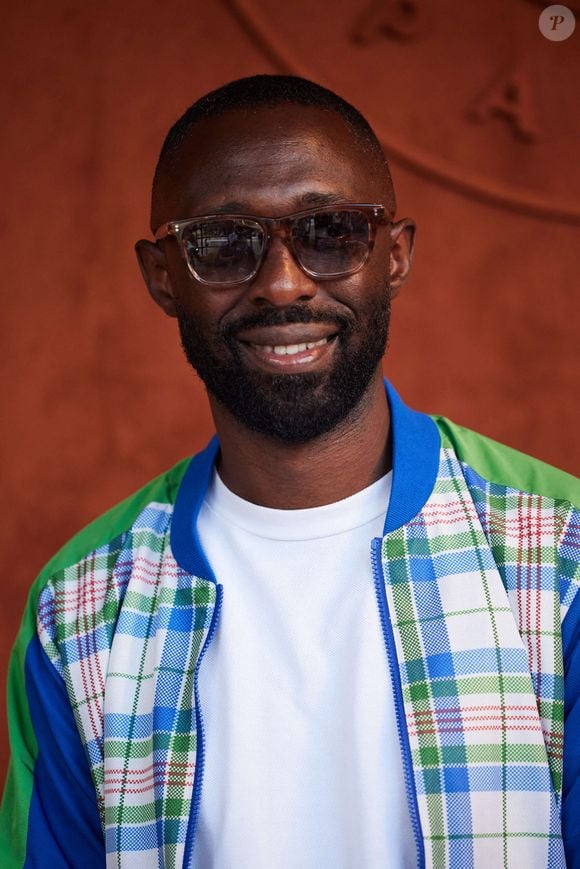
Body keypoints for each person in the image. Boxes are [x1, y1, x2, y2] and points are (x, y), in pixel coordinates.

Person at [1, 75, 578, 869]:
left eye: (331, 230)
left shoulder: (560, 558)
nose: (282, 282)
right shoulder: (80, 608)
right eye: (221, 242)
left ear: (396, 256)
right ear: (161, 275)